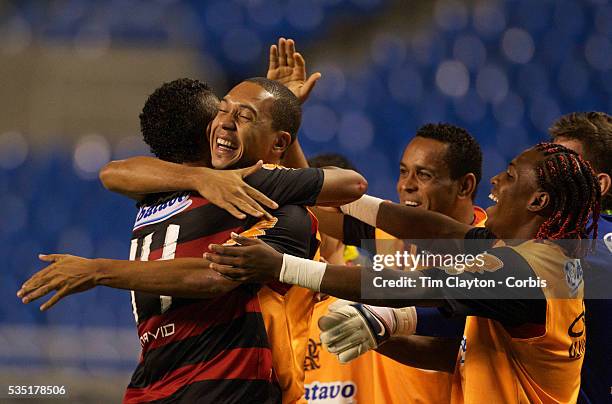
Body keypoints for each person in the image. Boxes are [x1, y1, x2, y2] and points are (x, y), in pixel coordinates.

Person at [19, 43, 366, 403]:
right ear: (206, 131)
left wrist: (280, 111)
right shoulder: (225, 187)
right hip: (211, 382)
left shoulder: (158, 190)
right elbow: (113, 173)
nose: (227, 122)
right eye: (223, 111)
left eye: (242, 115)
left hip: (174, 384)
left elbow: (113, 173)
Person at [205, 143, 601, 403]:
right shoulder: (538, 257)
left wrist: (284, 267)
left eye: (511, 175)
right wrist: (384, 332)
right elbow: (438, 232)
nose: (496, 181)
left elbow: (399, 285)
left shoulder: (521, 275)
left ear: (538, 200)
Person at [306, 125, 486, 403]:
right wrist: (290, 118)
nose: (406, 185)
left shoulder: (493, 256)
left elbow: (454, 350)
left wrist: (379, 327)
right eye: (403, 172)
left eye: (423, 174)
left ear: (465, 185)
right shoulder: (390, 233)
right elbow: (308, 204)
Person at [548, 111, 612, 404]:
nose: (545, 178)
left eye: (562, 168)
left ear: (599, 185)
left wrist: (399, 318)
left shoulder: (582, 247)